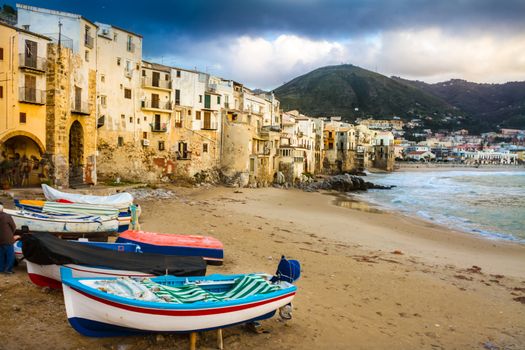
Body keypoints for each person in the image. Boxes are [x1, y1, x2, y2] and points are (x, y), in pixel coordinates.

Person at [0, 203, 18, 274]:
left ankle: (1, 269)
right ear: (2, 209)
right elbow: (13, 226)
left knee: (1, 255)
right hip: (7, 239)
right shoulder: (7, 216)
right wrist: (11, 234)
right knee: (10, 255)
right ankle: (8, 269)